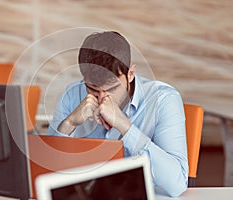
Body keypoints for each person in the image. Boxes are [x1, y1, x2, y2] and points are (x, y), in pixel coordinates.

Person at [47, 31, 188, 197]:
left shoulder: (164, 100)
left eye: (112, 89)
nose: (102, 99)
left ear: (130, 74)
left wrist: (126, 128)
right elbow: (46, 172)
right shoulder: (72, 95)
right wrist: (68, 124)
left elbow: (177, 183)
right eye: (92, 89)